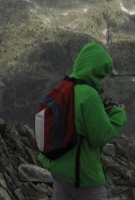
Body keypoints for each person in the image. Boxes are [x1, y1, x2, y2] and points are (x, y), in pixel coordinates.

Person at [40, 41, 127, 200]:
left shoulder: (65, 85)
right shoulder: (89, 94)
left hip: (59, 169)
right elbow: (100, 136)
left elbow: (75, 121)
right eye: (102, 73)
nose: (102, 78)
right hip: (82, 176)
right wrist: (118, 113)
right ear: (96, 69)